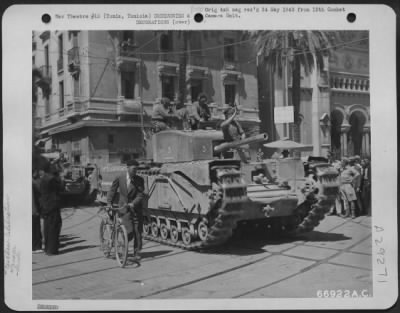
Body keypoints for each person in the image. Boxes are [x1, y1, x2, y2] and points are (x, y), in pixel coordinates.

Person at [107, 159, 146, 260]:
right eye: (133, 169)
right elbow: (112, 190)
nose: (135, 171)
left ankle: (137, 252)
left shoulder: (139, 180)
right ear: (127, 168)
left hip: (136, 208)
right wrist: (109, 203)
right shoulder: (120, 177)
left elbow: (140, 195)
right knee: (129, 231)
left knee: (137, 231)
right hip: (123, 209)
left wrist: (133, 203)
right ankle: (123, 247)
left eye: (136, 169)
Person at [39, 163, 64, 255]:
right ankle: (52, 250)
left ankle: (47, 249)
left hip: (45, 206)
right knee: (54, 227)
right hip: (53, 206)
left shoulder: (44, 178)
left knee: (47, 227)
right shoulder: (53, 179)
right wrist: (61, 179)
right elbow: (61, 189)